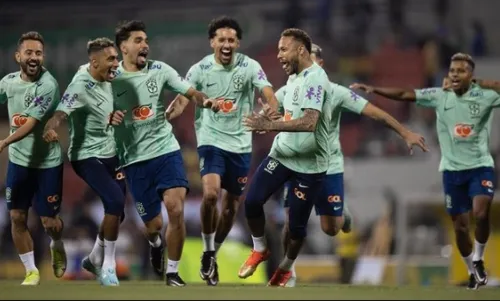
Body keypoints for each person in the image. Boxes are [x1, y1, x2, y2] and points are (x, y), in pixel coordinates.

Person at [240, 28, 427, 287]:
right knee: (290, 217)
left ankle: (342, 213)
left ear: (317, 61)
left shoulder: (334, 90)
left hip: (327, 164)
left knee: (331, 227)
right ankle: (289, 271)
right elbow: (273, 106)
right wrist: (263, 117)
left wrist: (404, 132)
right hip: (288, 158)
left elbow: (373, 112)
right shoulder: (291, 84)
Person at [350, 53, 498, 290]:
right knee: (460, 227)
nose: (454, 75)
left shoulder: (484, 96)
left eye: (460, 71)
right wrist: (374, 89)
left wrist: (480, 83)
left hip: (480, 167)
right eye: (451, 71)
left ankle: (479, 258)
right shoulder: (440, 96)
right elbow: (405, 94)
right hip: (452, 172)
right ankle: (472, 270)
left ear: (471, 75)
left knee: (480, 213)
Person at [165, 16, 278, 285]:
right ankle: (206, 250)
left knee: (230, 209)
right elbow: (184, 96)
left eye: (231, 40)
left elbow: (269, 93)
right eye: (221, 39)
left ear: (237, 42)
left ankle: (212, 252)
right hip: (210, 140)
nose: (226, 44)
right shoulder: (200, 69)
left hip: (240, 145)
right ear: (212, 42)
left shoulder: (250, 66)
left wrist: (270, 110)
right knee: (211, 194)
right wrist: (174, 110)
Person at [108, 20, 218, 287]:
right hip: (134, 161)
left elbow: (191, 92)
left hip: (165, 152)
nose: (145, 45)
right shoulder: (110, 81)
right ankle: (156, 243)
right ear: (123, 47)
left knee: (175, 209)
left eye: (146, 40)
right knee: (154, 224)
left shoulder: (160, 70)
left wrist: (206, 100)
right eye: (138, 40)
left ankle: (172, 272)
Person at [43, 37, 126, 286]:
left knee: (117, 212)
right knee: (115, 201)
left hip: (112, 153)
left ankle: (92, 257)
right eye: (110, 59)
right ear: (94, 62)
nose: (116, 64)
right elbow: (60, 112)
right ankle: (108, 266)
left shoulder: (113, 75)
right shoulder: (80, 85)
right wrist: (50, 127)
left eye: (116, 58)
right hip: (86, 156)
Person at [0, 31, 66, 285]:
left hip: (47, 164)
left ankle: (57, 243)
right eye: (29, 52)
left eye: (38, 53)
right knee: (17, 217)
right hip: (19, 162)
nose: (34, 57)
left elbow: (30, 123)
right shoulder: (8, 82)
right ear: (18, 56)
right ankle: (31, 271)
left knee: (49, 222)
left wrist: (5, 141)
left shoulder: (48, 84)